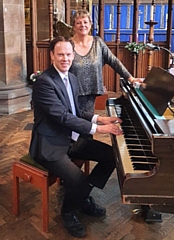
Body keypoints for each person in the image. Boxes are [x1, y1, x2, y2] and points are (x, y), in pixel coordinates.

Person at [29, 36, 123, 238]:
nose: (65, 58)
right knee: (78, 180)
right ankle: (69, 212)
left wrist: (100, 119)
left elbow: (75, 110)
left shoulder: (71, 77)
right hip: (50, 144)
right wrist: (96, 129)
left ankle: (81, 198)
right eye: (60, 54)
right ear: (52, 55)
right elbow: (62, 117)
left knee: (112, 156)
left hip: (71, 139)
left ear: (73, 56)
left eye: (69, 54)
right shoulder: (44, 83)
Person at [70, 9, 144, 113]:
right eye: (78, 23)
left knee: (85, 125)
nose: (82, 25)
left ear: (90, 24)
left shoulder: (98, 43)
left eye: (85, 22)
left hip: (90, 93)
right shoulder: (68, 44)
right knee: (69, 123)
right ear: (73, 26)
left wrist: (131, 78)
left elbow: (114, 61)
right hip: (70, 92)